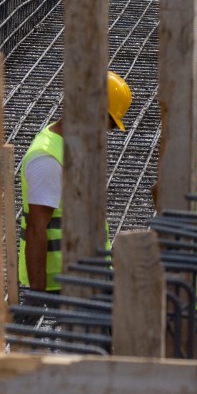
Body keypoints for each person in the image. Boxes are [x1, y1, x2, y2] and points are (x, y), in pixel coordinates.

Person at [18, 73, 135, 291]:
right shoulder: (48, 158)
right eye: (107, 124)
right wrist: (38, 295)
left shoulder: (74, 147)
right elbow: (37, 229)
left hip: (89, 275)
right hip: (61, 286)